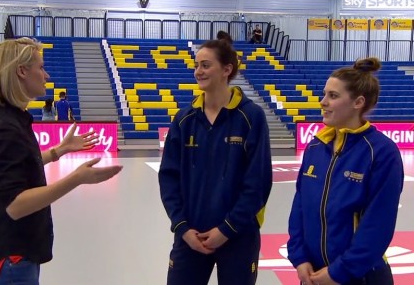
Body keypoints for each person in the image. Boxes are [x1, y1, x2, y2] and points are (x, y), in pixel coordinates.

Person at [0, 37, 123, 285]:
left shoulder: (7, 118)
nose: (46, 75)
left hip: (7, 253)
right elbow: (15, 205)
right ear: (21, 71)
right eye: (40, 67)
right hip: (11, 260)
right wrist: (76, 178)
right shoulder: (5, 128)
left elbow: (16, 168)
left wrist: (57, 151)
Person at [158, 31, 272, 285]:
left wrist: (227, 229)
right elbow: (168, 178)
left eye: (206, 65)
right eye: (197, 65)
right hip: (191, 235)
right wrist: (182, 227)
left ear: (226, 69)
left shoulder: (251, 117)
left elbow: (258, 182)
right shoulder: (184, 119)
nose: (198, 71)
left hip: (238, 236)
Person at [287, 57, 404, 285]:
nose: (323, 102)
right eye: (324, 94)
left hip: (360, 275)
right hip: (313, 275)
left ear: (358, 102)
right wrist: (299, 258)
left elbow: (378, 223)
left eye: (333, 96)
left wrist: (340, 271)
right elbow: (299, 207)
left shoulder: (381, 152)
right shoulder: (315, 147)